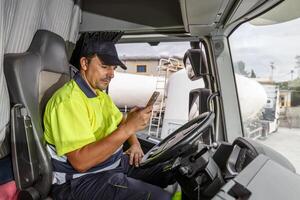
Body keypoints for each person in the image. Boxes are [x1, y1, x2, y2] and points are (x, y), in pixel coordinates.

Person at [43, 32, 174, 200]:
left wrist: (134, 144)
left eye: (113, 68)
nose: (111, 74)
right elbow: (80, 163)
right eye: (105, 66)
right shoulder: (68, 102)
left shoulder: (100, 95)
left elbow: (122, 122)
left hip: (112, 164)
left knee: (172, 170)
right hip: (81, 180)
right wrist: (128, 129)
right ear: (84, 63)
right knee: (161, 198)